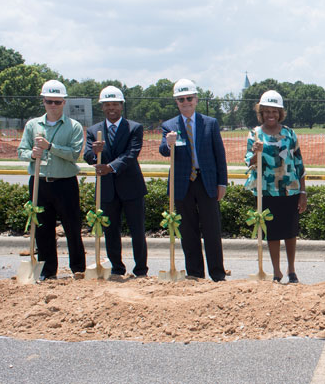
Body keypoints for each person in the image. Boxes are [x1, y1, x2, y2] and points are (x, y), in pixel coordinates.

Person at [159, 78, 228, 282]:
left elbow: (219, 155)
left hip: (206, 182)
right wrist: (168, 143)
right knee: (188, 233)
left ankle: (217, 274)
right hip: (182, 185)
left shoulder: (210, 123)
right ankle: (195, 274)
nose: (186, 102)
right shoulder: (169, 126)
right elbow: (163, 150)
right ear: (177, 102)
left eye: (189, 98)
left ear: (196, 99)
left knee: (212, 231)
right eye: (181, 99)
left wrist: (222, 183)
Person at [16, 79, 85, 281]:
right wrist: (31, 154)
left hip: (65, 183)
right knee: (43, 229)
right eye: (49, 101)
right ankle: (48, 271)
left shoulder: (74, 126)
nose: (53, 105)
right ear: (43, 101)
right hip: (40, 182)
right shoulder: (32, 125)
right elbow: (21, 151)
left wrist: (49, 147)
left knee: (72, 227)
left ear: (64, 102)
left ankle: (78, 268)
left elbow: (74, 154)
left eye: (57, 101)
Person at [83, 86, 149, 277]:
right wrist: (94, 153)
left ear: (121, 106)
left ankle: (141, 270)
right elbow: (87, 156)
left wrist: (110, 167)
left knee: (137, 231)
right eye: (107, 105)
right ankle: (117, 269)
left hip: (131, 188)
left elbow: (131, 154)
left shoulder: (134, 128)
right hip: (107, 189)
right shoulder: (94, 130)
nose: (111, 108)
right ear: (102, 107)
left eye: (115, 104)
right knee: (111, 231)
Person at [245, 90, 307, 284]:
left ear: (280, 113)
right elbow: (250, 162)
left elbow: (299, 164)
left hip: (290, 190)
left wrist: (303, 192)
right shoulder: (255, 134)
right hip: (266, 192)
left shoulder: (289, 134)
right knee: (272, 233)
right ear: (261, 113)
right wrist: (255, 152)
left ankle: (292, 270)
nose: (270, 115)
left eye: (274, 111)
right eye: (267, 111)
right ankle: (276, 272)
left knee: (290, 232)